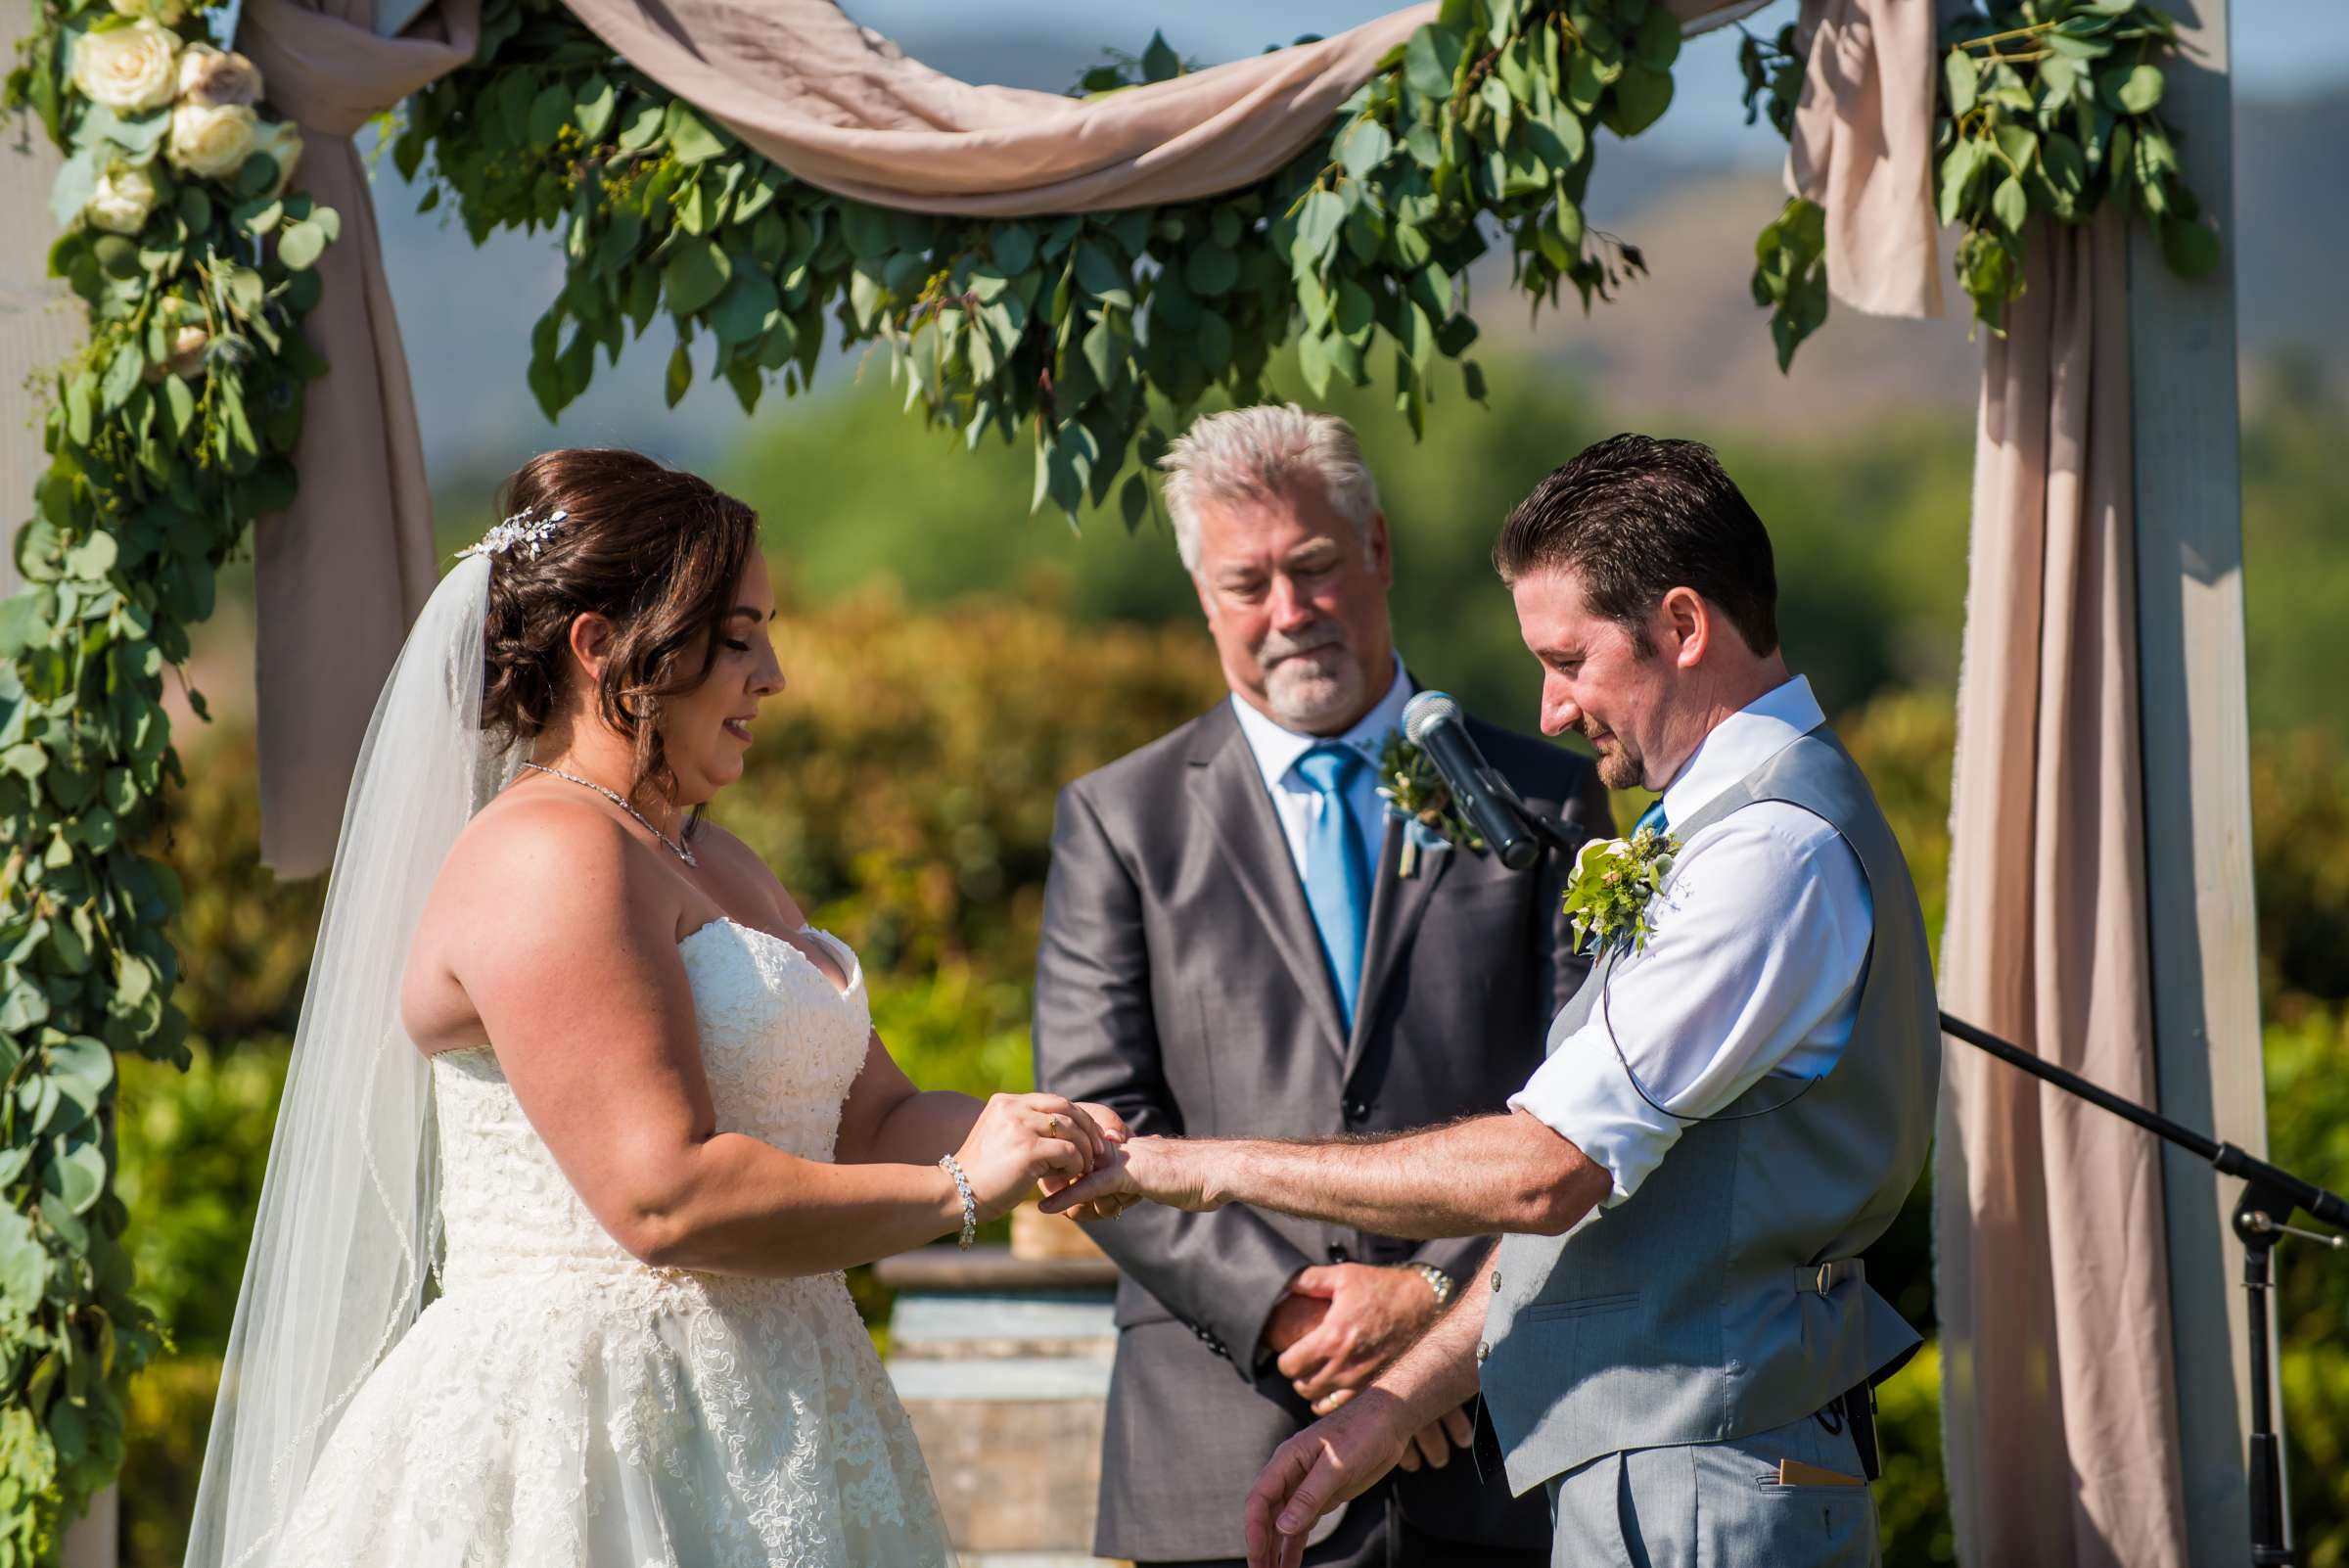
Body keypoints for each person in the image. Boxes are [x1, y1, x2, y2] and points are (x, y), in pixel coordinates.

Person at [184, 448, 1130, 1568]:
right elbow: (663, 1197)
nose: (772, 673)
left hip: (788, 1415)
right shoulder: (549, 855)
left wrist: (1047, 1130)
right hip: (594, 1435)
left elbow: (871, 1120)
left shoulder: (718, 860)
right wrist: (965, 1189)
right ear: (602, 648)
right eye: (737, 637)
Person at [1046, 434, 1940, 1568]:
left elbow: (1544, 1170)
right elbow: (1595, 1212)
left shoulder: (1769, 853)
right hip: (1644, 1463)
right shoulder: (1732, 829)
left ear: (1681, 626)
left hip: (1705, 1477)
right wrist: (1391, 1407)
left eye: (1569, 658)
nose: (1553, 707)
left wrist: (1208, 1165)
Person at [1032, 405, 1612, 1567]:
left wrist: (1437, 1304)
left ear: (1379, 553)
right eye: (1248, 584)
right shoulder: (1121, 820)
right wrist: (1291, 1305)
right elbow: (1097, 1122)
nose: (1289, 613)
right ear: (1204, 598)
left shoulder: (1546, 799)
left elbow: (1595, 1104)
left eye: (1314, 567)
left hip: (1496, 1439)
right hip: (1221, 1440)